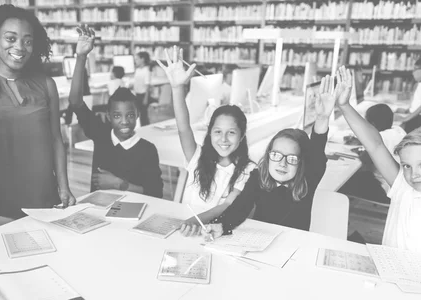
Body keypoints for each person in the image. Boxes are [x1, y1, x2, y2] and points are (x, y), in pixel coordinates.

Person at [0, 5, 75, 228]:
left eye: (28, 41)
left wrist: (64, 187)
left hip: (43, 194)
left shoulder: (46, 84)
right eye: (10, 38)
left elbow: (56, 140)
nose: (20, 47)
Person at [331, 69, 421, 263]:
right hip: (386, 281)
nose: (413, 174)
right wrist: (344, 106)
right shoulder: (403, 188)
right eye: (407, 166)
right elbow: (375, 144)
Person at [207, 66, 349, 237]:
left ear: (301, 163)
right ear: (268, 157)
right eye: (276, 155)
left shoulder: (308, 179)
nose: (282, 163)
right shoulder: (258, 177)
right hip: (260, 243)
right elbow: (240, 208)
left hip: (293, 248)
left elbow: (317, 152)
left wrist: (322, 118)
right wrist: (222, 226)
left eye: (291, 159)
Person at [156, 47, 255, 236]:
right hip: (184, 229)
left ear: (242, 136)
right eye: (217, 132)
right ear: (209, 134)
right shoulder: (197, 156)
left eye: (231, 133)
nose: (223, 139)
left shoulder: (247, 169)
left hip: (212, 232)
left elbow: (227, 204)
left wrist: (195, 221)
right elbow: (183, 126)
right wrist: (177, 88)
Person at [70, 25, 163, 197]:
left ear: (137, 115)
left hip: (134, 212)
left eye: (129, 115)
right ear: (109, 117)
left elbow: (156, 193)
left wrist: (119, 184)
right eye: (117, 116)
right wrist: (81, 57)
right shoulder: (100, 134)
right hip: (99, 211)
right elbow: (76, 102)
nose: (124, 121)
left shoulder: (147, 150)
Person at [339, 103, 406, 203]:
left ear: (372, 125)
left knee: (346, 182)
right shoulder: (399, 131)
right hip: (402, 186)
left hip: (385, 189)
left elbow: (364, 159)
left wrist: (358, 149)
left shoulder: (381, 138)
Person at [134, 51, 152, 125]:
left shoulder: (146, 71)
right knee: (139, 114)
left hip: (143, 95)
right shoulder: (137, 70)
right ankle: (142, 128)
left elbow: (147, 86)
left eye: (137, 59)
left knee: (144, 114)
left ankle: (146, 129)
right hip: (137, 94)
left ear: (142, 59)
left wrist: (146, 98)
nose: (135, 61)